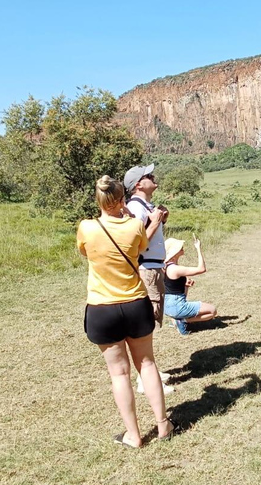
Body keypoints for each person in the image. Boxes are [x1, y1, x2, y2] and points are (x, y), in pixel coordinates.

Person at [76, 175, 178, 448]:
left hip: (101, 308)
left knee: (119, 374)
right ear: (123, 199)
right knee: (147, 364)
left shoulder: (86, 227)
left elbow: (85, 253)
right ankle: (163, 424)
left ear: (98, 200)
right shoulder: (134, 226)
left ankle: (133, 435)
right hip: (135, 304)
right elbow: (141, 247)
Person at [123, 163, 174, 395]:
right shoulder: (136, 207)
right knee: (147, 322)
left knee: (151, 322)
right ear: (138, 185)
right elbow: (137, 243)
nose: (153, 177)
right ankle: (146, 378)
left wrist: (160, 219)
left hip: (154, 268)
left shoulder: (145, 206)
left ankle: (150, 371)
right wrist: (154, 222)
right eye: (148, 175)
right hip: (147, 269)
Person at [163, 235, 218, 335]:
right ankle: (182, 320)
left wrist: (186, 285)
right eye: (179, 247)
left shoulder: (166, 267)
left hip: (168, 306)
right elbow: (201, 269)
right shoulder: (175, 269)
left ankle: (177, 318)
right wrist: (198, 249)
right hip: (176, 305)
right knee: (212, 311)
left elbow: (174, 290)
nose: (182, 247)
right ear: (174, 253)